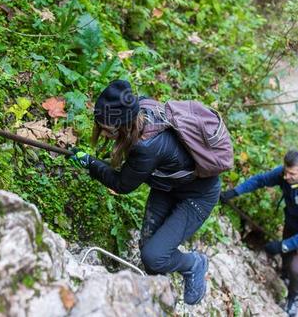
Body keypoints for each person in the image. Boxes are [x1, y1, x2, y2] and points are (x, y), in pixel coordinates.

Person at [70, 80, 220, 305]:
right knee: (150, 255)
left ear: (123, 124)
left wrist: (90, 162)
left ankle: (195, 264)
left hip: (197, 195)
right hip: (166, 186)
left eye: (107, 128)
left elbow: (122, 185)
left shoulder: (146, 147)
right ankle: (157, 295)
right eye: (100, 124)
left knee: (154, 256)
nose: (103, 132)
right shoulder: (139, 108)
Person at [220, 150, 298, 317]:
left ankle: (294, 297)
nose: (286, 177)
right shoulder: (284, 174)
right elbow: (261, 180)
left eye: (291, 174)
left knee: (296, 267)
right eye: (285, 172)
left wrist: (283, 245)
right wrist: (235, 192)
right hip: (292, 223)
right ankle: (286, 277)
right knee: (286, 259)